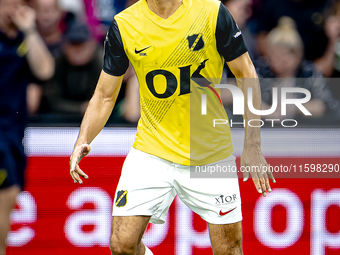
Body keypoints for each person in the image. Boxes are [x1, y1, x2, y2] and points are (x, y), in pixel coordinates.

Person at [69, 0, 275, 254]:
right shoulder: (125, 24)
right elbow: (104, 96)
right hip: (152, 150)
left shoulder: (211, 12)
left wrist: (252, 145)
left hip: (210, 154)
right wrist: (83, 138)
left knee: (229, 249)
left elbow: (247, 75)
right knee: (122, 245)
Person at [0, 0, 54, 254]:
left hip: (14, 135)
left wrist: (30, 30)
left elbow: (45, 71)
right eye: (6, 4)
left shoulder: (24, 39)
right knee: (6, 195)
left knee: (10, 199)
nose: (12, 9)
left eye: (18, 3)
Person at [256, 17, 340, 120]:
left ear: (297, 55)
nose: (279, 59)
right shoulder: (261, 72)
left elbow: (326, 105)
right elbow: (246, 102)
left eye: (284, 54)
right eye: (274, 54)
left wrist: (295, 107)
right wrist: (268, 111)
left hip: (305, 129)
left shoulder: (309, 72)